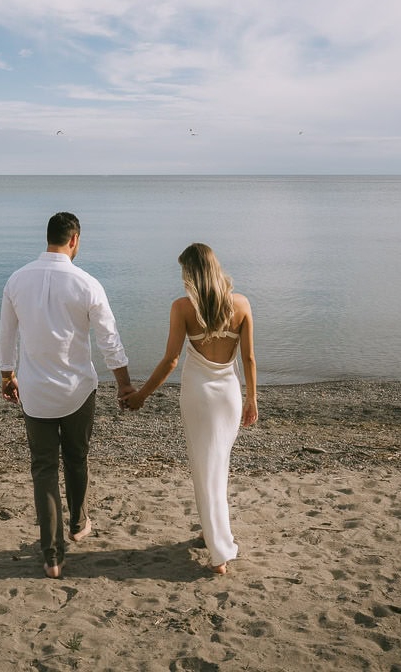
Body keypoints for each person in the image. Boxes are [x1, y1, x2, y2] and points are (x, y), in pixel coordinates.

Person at [0, 211, 133, 578]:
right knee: (76, 458)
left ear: (48, 238)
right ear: (74, 240)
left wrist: (8, 375)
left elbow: (7, 335)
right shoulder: (87, 283)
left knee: (43, 468)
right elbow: (109, 339)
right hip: (77, 391)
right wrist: (123, 384)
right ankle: (78, 523)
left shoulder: (17, 280)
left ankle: (52, 557)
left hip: (36, 392)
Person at [125, 243, 257, 574]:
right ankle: (210, 533)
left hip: (199, 394)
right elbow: (249, 358)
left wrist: (142, 394)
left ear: (191, 274)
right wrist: (252, 398)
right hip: (228, 395)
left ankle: (220, 553)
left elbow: (171, 360)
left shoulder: (182, 308)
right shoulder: (241, 305)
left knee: (204, 467)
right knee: (216, 466)